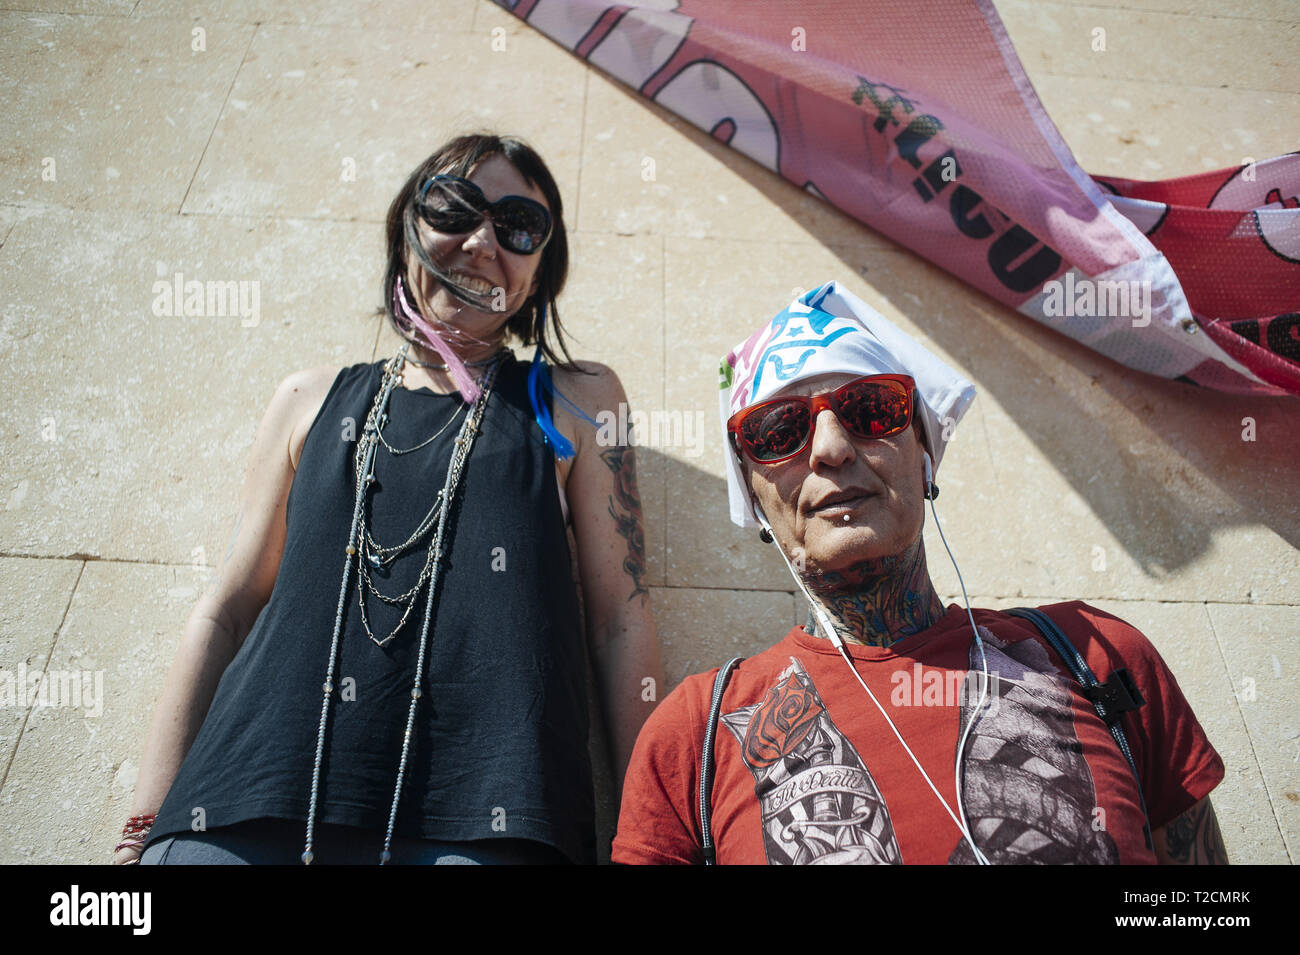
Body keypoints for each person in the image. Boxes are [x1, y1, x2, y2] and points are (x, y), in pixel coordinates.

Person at [115, 132, 662, 865]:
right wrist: (143, 822)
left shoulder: (579, 400)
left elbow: (620, 623)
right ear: (407, 225)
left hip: (490, 819)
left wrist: (654, 841)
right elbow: (227, 607)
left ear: (540, 274)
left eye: (518, 227)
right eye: (453, 209)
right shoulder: (309, 399)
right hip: (240, 809)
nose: (478, 241)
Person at [611, 280, 1226, 865]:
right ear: (754, 498)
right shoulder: (693, 736)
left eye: (870, 408)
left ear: (925, 454)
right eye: (779, 430)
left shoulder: (1097, 654)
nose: (831, 447)